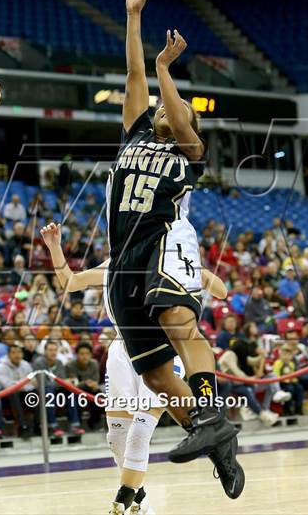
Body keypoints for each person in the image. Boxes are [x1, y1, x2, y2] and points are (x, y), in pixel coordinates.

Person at [99, 0, 242, 507]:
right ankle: (217, 440)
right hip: (122, 263)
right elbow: (133, 73)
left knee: (182, 326)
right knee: (157, 374)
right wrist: (133, 17)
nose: (162, 110)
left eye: (171, 107)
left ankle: (210, 411)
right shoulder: (135, 134)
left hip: (165, 244)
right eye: (158, 107)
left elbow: (177, 115)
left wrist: (166, 72)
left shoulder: (189, 150)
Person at [40, 219, 236, 515]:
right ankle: (140, 502)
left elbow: (220, 291)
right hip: (121, 350)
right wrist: (55, 247)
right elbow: (70, 282)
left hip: (161, 350)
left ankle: (121, 502)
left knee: (140, 431)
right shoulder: (113, 264)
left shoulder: (171, 262)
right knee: (116, 435)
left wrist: (195, 267)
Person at [272, 345, 304, 415]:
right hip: (281, 383)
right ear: (280, 355)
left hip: (290, 382)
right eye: (284, 355)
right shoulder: (278, 363)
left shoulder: (291, 364)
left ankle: (298, 408)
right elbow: (275, 376)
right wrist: (285, 379)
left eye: (288, 355)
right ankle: (287, 409)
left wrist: (294, 379)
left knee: (299, 388)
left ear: (291, 356)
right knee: (290, 389)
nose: (286, 357)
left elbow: (293, 375)